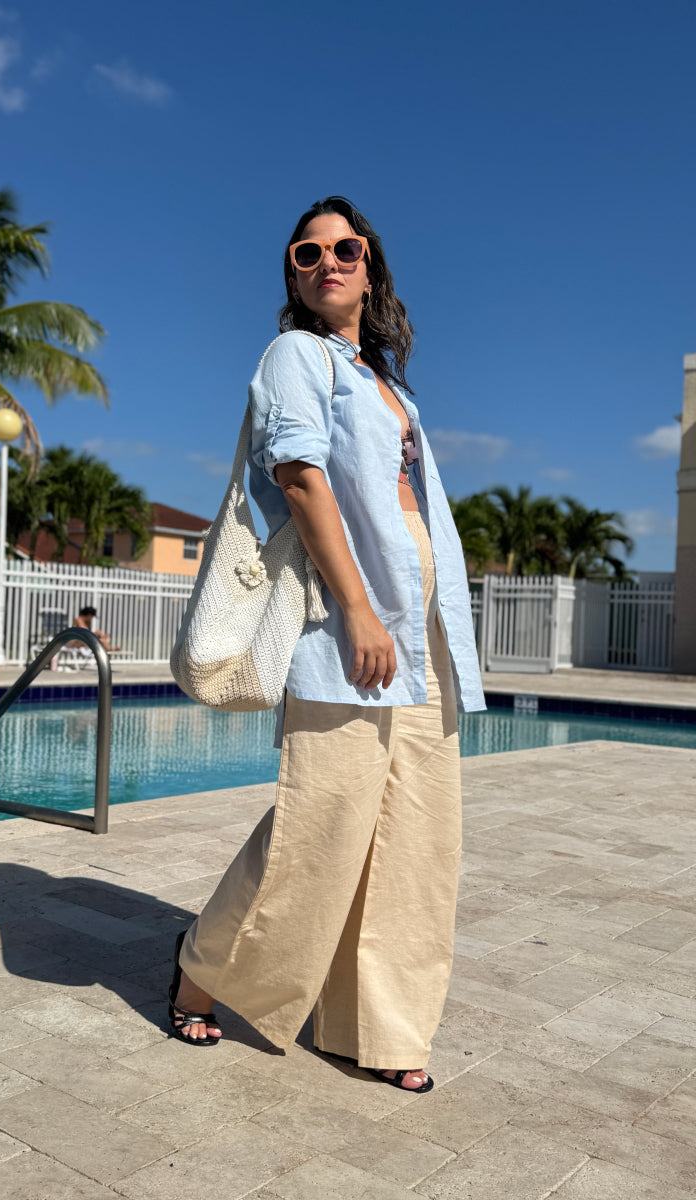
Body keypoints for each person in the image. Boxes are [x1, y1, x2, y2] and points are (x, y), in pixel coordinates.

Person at [168, 195, 487, 1092]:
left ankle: (379, 1029)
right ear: (294, 278)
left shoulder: (390, 384)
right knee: (320, 827)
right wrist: (356, 607)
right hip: (349, 625)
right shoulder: (296, 356)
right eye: (305, 255)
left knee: (418, 844)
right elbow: (301, 478)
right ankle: (199, 968)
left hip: (423, 636)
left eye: (345, 249)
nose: (327, 263)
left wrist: (416, 621)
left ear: (372, 266)